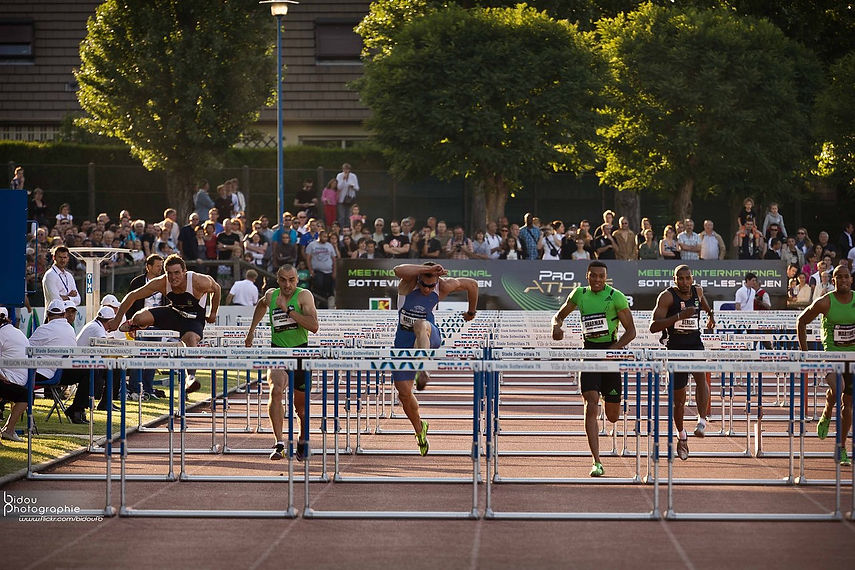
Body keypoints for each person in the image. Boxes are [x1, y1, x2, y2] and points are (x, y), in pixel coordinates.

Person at [551, 261, 637, 477]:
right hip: (588, 353)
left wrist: (612, 351)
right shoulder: (579, 294)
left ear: (606, 277)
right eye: (594, 276)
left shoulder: (616, 296)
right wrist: (556, 326)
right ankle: (596, 461)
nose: (598, 280)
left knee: (613, 416)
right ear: (587, 276)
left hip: (610, 355)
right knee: (591, 403)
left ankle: (610, 418)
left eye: (602, 276)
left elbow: (631, 331)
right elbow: (559, 315)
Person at [391, 262, 479, 455]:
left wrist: (471, 312)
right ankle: (420, 430)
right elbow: (397, 269)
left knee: (421, 325)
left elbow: (472, 284)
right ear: (419, 278)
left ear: (437, 282)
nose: (427, 289)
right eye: (424, 284)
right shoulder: (408, 284)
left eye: (431, 286)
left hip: (430, 335)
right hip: (404, 340)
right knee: (404, 394)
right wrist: (424, 270)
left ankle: (423, 370)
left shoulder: (444, 286)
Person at [106, 254, 221, 393]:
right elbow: (133, 295)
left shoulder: (198, 281)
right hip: (173, 313)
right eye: (169, 273)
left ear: (184, 272)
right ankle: (135, 323)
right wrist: (118, 319)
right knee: (140, 317)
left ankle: (190, 378)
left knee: (190, 340)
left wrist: (213, 313)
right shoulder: (162, 282)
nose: (173, 278)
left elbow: (217, 289)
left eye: (177, 273)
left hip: (193, 318)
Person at [244, 265, 319, 461]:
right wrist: (251, 330)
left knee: (301, 409)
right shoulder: (271, 295)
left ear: (297, 280)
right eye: (283, 280)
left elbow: (314, 327)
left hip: (301, 352)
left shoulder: (304, 296)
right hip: (277, 351)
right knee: (275, 390)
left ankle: (303, 439)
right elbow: (261, 305)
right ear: (277, 279)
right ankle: (279, 442)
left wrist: (289, 312)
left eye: (292, 280)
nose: (287, 284)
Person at [649, 265, 714, 460]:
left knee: (701, 380)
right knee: (679, 400)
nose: (685, 282)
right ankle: (681, 435)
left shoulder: (698, 290)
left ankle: (702, 421)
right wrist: (679, 316)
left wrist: (710, 316)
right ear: (674, 279)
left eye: (688, 278)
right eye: (681, 279)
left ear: (692, 278)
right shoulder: (667, 297)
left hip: (695, 344)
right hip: (676, 348)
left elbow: (703, 303)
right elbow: (653, 326)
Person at [797, 265, 854, 466]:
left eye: (847, 277)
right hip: (831, 356)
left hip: (852, 359)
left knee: (848, 404)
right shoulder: (825, 302)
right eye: (839, 277)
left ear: (851, 280)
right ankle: (828, 409)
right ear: (834, 280)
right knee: (838, 387)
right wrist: (804, 353)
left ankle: (841, 447)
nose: (844, 280)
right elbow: (801, 321)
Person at [0, 307, 31, 442]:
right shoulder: (15, 332)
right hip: (16, 380)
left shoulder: (2, 334)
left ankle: (9, 429)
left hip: (10, 379)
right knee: (25, 395)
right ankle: (9, 429)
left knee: (24, 395)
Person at [305, 229, 337, 304]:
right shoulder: (312, 245)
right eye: (324, 237)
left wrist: (334, 271)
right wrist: (311, 271)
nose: (325, 238)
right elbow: (308, 258)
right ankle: (317, 302)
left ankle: (325, 304)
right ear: (319, 236)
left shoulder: (329, 245)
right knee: (319, 285)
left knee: (328, 288)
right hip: (317, 271)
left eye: (326, 237)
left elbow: (334, 259)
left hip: (329, 271)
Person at [336, 163, 359, 227]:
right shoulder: (339, 175)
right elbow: (338, 187)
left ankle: (349, 229)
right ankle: (341, 230)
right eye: (344, 169)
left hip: (350, 198)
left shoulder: (353, 176)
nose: (346, 171)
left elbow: (357, 188)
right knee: (341, 216)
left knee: (349, 216)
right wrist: (343, 180)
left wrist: (352, 186)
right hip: (341, 199)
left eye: (347, 169)